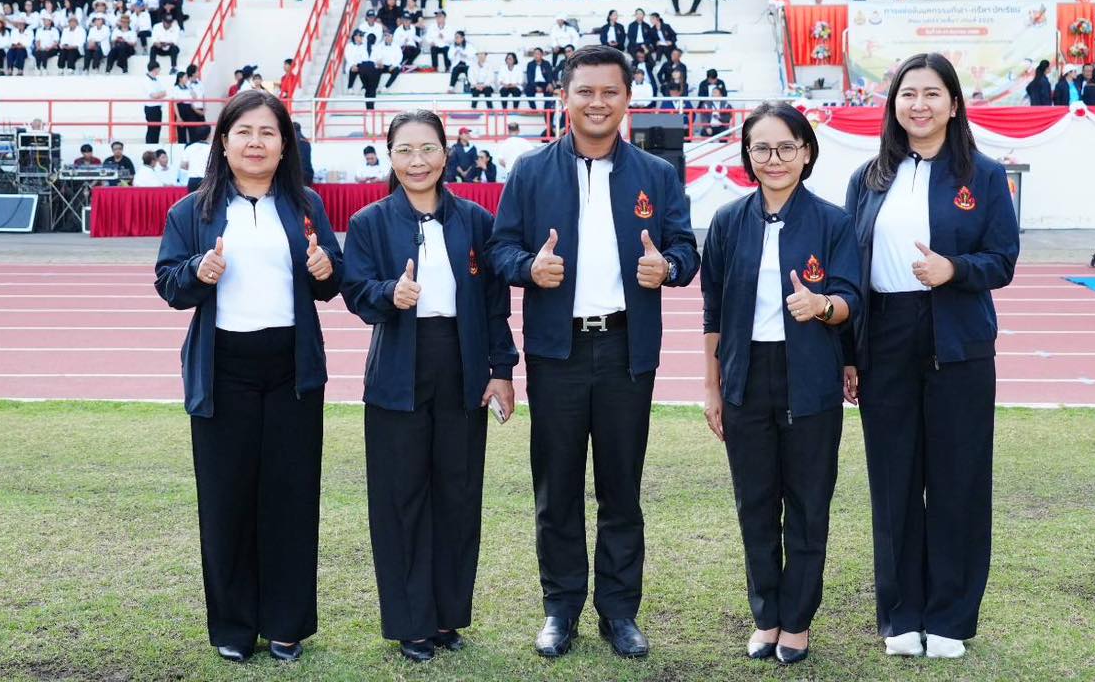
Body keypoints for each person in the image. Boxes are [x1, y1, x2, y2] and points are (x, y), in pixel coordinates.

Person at [487, 45, 699, 660]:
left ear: (627, 98)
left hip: (627, 350)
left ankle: (619, 611)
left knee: (621, 488)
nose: (597, 102)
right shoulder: (531, 171)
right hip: (557, 351)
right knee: (556, 488)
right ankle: (560, 609)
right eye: (585, 91)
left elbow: (685, 249)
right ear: (564, 97)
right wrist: (530, 268)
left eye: (610, 91)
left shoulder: (656, 174)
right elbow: (500, 250)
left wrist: (669, 267)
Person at [154, 89, 343, 665]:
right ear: (223, 142)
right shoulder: (193, 211)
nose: (255, 143)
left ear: (285, 145)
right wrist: (198, 270)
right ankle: (234, 626)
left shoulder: (306, 205)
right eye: (244, 132)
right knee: (226, 500)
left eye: (268, 133)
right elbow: (169, 285)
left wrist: (323, 269)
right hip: (224, 372)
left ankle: (286, 624)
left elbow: (332, 280)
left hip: (292, 371)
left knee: (291, 498)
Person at [842, 52, 1020, 660]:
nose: (919, 105)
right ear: (893, 104)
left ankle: (949, 618)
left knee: (957, 480)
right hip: (885, 338)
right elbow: (850, 271)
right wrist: (849, 353)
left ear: (953, 103)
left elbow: (1002, 260)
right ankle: (901, 615)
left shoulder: (984, 175)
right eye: (907, 94)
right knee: (894, 480)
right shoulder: (868, 178)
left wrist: (954, 270)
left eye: (931, 94)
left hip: (957, 339)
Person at [341, 110, 517, 663]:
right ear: (390, 156)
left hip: (462, 368)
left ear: (446, 153)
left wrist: (502, 370)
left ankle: (446, 617)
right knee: (401, 498)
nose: (417, 161)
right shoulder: (370, 222)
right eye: (404, 151)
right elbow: (355, 290)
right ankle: (410, 624)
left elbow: (494, 304)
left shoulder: (476, 220)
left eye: (427, 149)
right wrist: (389, 294)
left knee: (457, 495)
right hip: (398, 371)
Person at [699, 101, 860, 665]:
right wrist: (713, 386)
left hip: (810, 380)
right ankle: (766, 616)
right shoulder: (727, 222)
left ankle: (797, 621)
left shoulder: (833, 221)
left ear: (806, 153)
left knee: (809, 506)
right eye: (762, 148)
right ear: (748, 155)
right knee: (756, 505)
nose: (774, 159)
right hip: (745, 379)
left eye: (786, 147)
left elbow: (852, 299)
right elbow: (713, 311)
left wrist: (823, 306)